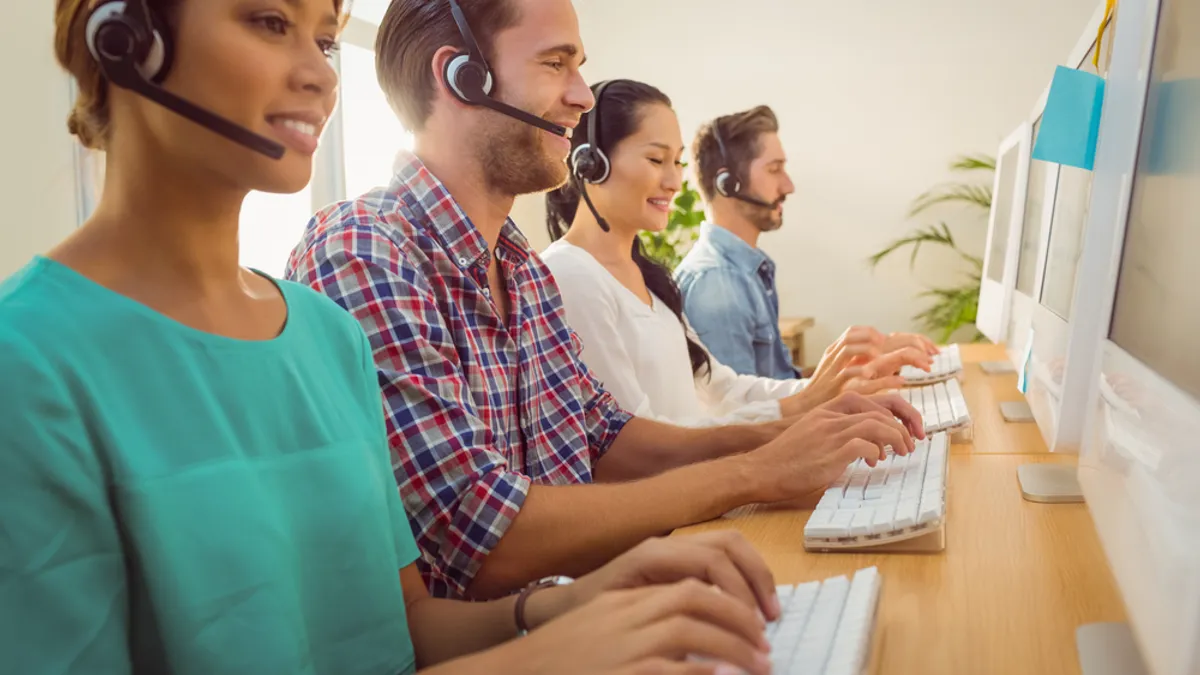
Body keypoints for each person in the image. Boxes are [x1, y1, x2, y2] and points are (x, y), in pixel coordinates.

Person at [0, 1, 816, 673]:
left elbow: (401, 629)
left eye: (323, 35)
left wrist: (573, 602)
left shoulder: (323, 336)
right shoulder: (29, 362)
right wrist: (550, 649)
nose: (320, 73)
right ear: (126, 39)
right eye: (266, 21)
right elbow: (481, 536)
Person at [285, 0, 924, 604]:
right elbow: (479, 535)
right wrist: (756, 472)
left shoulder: (522, 268)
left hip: (585, 615)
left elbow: (602, 435)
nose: (582, 95)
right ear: (461, 76)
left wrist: (789, 435)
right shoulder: (368, 251)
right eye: (555, 63)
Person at [543, 80, 924, 428]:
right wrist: (806, 402)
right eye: (657, 160)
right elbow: (637, 441)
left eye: (676, 162)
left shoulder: (646, 276)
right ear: (590, 163)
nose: (675, 182)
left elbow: (723, 389)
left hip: (702, 488)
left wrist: (834, 387)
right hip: (684, 494)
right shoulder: (571, 275)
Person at [675, 105, 940, 380]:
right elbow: (742, 415)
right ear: (727, 184)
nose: (788, 186)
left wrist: (868, 362)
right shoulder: (719, 284)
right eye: (774, 169)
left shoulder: (744, 271)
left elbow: (780, 388)